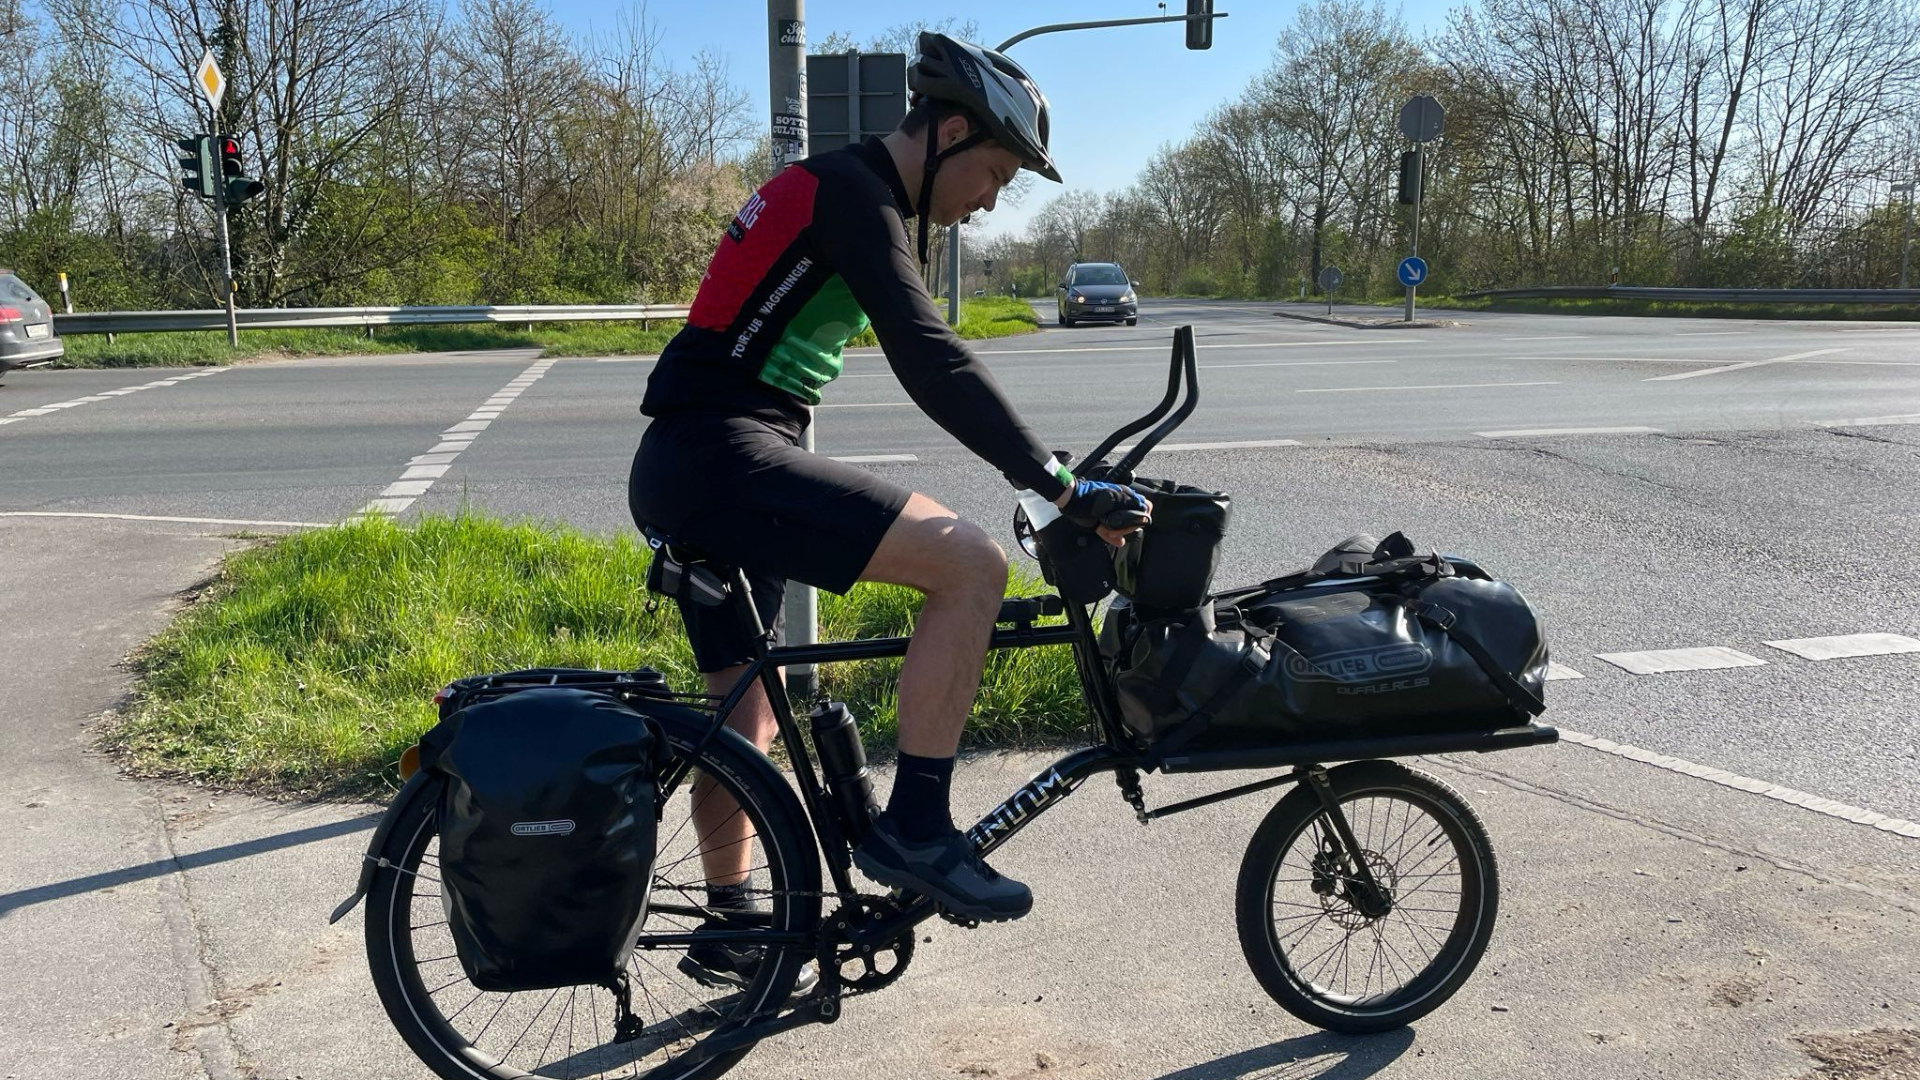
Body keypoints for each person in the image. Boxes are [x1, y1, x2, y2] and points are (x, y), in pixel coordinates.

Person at [627, 32, 1150, 990]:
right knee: (972, 565)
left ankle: (735, 923)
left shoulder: (842, 192)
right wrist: (1058, 485)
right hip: (723, 454)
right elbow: (930, 354)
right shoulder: (858, 198)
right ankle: (918, 826)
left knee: (741, 719)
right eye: (994, 172)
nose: (990, 201)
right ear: (950, 131)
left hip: (692, 457)